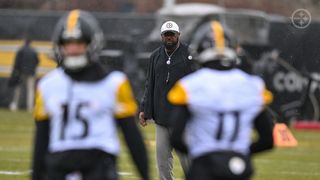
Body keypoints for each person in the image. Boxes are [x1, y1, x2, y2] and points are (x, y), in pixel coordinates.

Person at [31, 10, 149, 180]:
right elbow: (41, 141)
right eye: (68, 43)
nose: (73, 49)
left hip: (98, 169)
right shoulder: (48, 85)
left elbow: (132, 137)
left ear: (92, 43)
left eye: (79, 42)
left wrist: (145, 175)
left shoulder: (114, 83)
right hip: (58, 169)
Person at [168, 21, 274, 180]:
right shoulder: (253, 86)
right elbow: (267, 140)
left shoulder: (191, 86)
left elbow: (175, 138)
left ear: (199, 51)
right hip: (239, 167)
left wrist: (201, 152)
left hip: (203, 168)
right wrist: (238, 152)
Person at [139, 20, 194, 180]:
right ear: (161, 36)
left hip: (182, 118)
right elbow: (150, 84)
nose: (169, 37)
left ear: (179, 35)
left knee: (187, 161)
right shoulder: (155, 56)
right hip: (162, 118)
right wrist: (144, 109)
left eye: (172, 34)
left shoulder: (189, 54)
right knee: (162, 162)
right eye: (166, 35)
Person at [8, 38, 39, 111]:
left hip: (21, 73)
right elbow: (37, 61)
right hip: (31, 73)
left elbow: (16, 62)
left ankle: (15, 105)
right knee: (30, 90)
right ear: (30, 42)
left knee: (18, 90)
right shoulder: (33, 51)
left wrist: (16, 72)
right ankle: (30, 107)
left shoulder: (21, 50)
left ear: (24, 42)